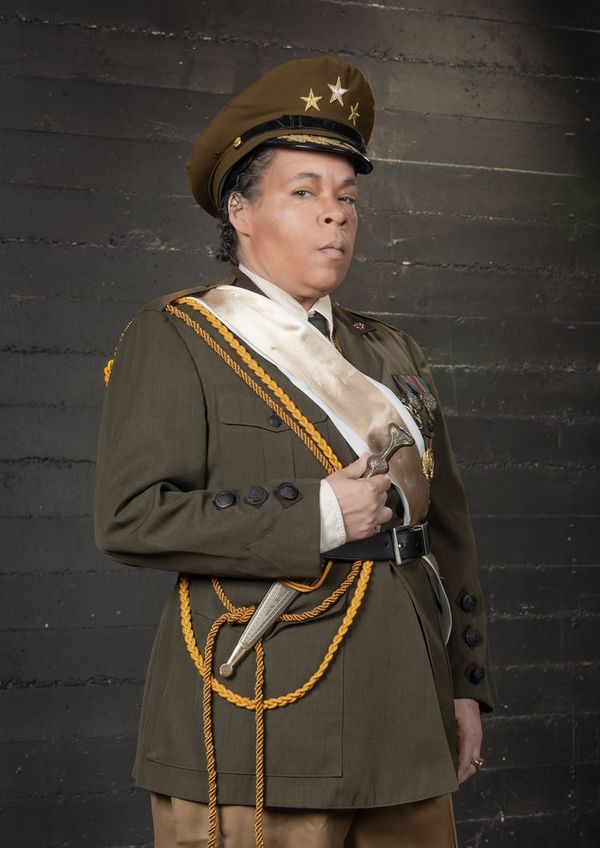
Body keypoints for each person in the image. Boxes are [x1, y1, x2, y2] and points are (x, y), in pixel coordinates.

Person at [94, 56, 494, 848]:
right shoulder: (179, 338)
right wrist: (313, 513)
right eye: (304, 193)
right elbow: (130, 518)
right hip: (268, 718)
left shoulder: (391, 352)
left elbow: (447, 535)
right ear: (240, 210)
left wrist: (464, 687)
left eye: (347, 198)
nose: (335, 216)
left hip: (406, 711)